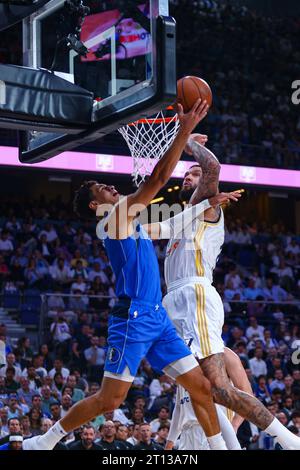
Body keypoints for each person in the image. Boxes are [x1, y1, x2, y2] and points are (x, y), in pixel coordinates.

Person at [24, 100, 229, 451]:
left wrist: (204, 206)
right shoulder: (114, 219)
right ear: (95, 205)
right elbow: (159, 178)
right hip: (133, 316)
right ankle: (46, 440)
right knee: (110, 401)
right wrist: (181, 133)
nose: (111, 188)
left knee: (202, 388)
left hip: (157, 317)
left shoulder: (131, 221)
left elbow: (169, 223)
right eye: (103, 189)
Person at [153, 133, 300, 450]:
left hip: (195, 295)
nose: (187, 176)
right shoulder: (182, 220)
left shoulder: (205, 208)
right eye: (185, 174)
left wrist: (187, 140)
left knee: (218, 388)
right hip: (175, 301)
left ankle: (289, 441)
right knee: (194, 385)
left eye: (192, 172)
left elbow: (213, 167)